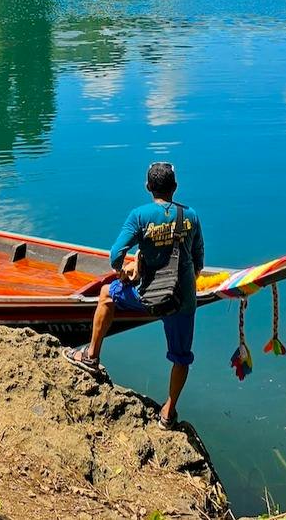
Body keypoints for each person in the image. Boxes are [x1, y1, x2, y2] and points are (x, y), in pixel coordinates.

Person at [65, 161, 204, 427]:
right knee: (181, 356)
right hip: (183, 299)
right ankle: (168, 413)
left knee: (107, 294)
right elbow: (198, 261)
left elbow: (115, 255)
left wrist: (124, 271)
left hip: (148, 296)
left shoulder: (139, 216)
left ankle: (91, 356)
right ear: (175, 187)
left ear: (148, 187)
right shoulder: (192, 216)